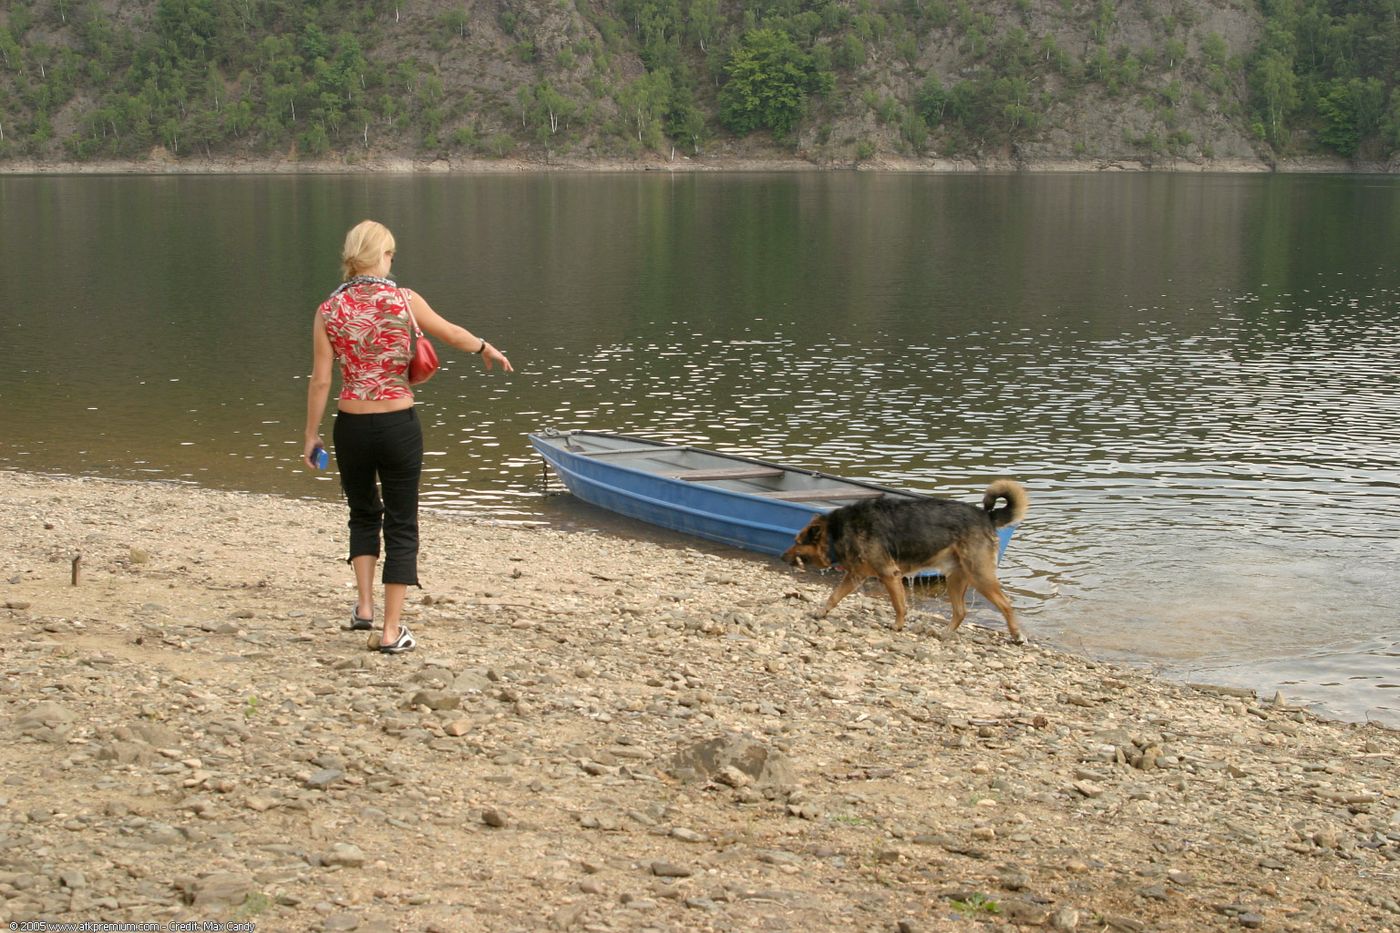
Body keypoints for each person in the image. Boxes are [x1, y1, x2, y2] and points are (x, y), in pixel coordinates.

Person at [303, 220, 513, 653]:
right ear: (382, 256)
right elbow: (451, 333)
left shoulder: (328, 309)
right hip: (398, 425)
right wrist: (484, 347)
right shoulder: (404, 299)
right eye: (390, 254)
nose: (391, 261)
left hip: (351, 426)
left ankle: (364, 608)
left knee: (363, 512)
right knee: (401, 521)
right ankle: (391, 631)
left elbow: (321, 380)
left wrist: (311, 435)